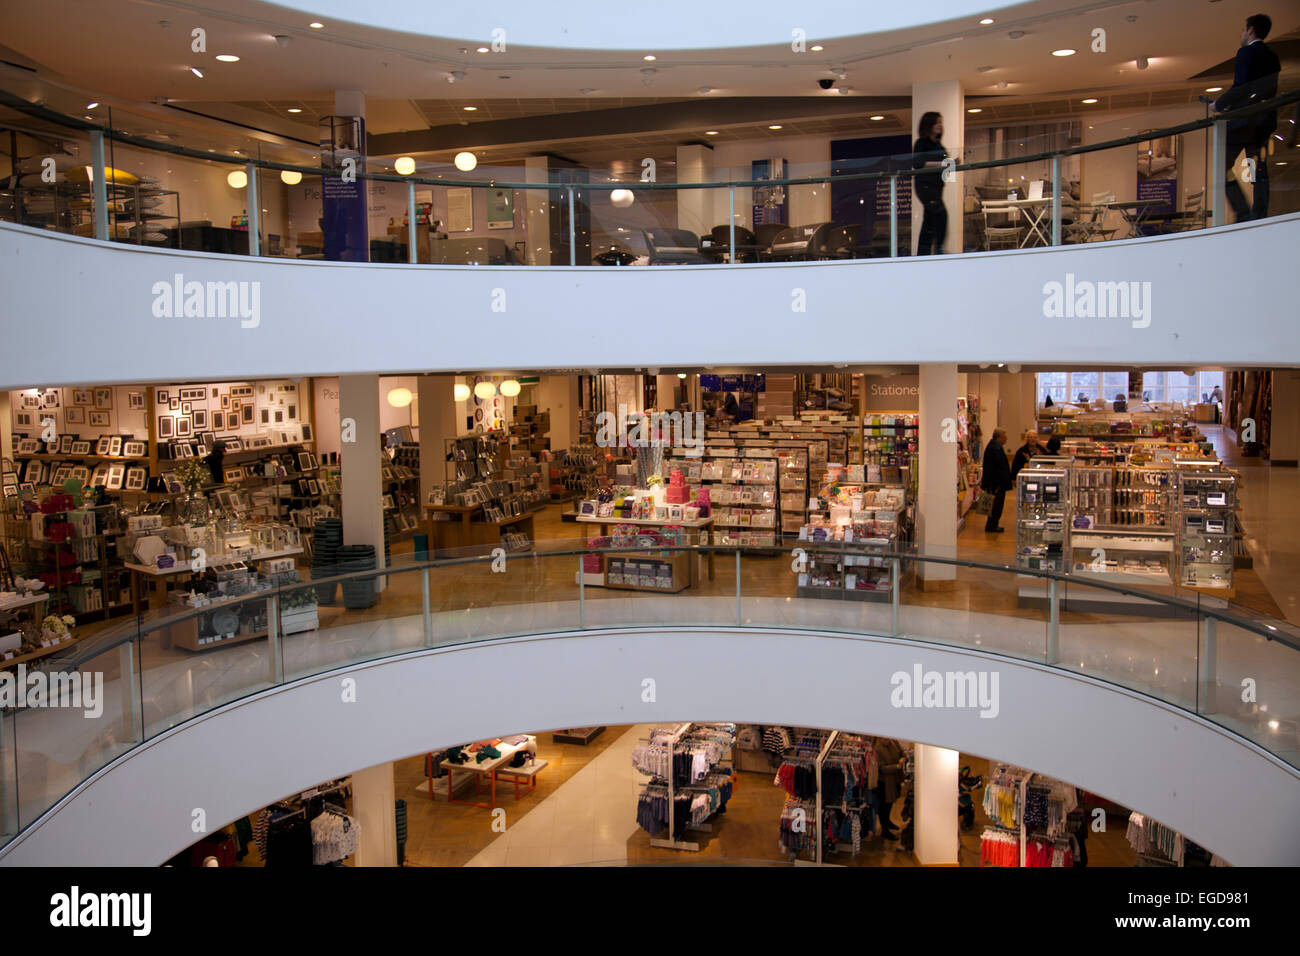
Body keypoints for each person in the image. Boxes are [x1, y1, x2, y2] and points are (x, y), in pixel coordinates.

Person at [1215, 14, 1280, 222]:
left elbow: (1241, 87)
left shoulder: (1246, 53)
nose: (1242, 34)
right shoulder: (1272, 57)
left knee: (1222, 165)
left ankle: (1242, 210)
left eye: (1244, 30)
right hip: (1263, 122)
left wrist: (1218, 104)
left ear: (1251, 30)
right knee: (1257, 167)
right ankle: (1260, 212)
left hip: (1244, 122)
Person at [912, 112, 952, 256]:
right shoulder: (921, 143)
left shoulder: (938, 145)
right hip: (926, 186)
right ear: (929, 125)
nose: (940, 126)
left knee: (929, 220)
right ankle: (939, 248)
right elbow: (918, 163)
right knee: (941, 214)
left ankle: (923, 253)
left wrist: (950, 164)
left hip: (937, 186)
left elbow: (946, 165)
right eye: (937, 123)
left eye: (940, 122)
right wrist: (942, 163)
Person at [980, 428, 1013, 533]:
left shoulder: (994, 447)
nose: (1006, 439)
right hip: (996, 485)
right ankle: (992, 526)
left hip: (996, 484)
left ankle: (993, 524)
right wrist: (996, 485)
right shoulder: (994, 448)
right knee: (995, 507)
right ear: (999, 437)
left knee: (996, 506)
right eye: (1004, 437)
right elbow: (995, 468)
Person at [873, 737, 904, 839]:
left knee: (890, 803)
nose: (887, 740)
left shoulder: (893, 743)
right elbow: (881, 769)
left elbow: (902, 753)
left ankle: (888, 822)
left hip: (894, 779)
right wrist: (897, 767)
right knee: (884, 806)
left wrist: (902, 759)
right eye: (884, 739)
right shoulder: (877, 749)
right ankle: (885, 830)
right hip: (884, 782)